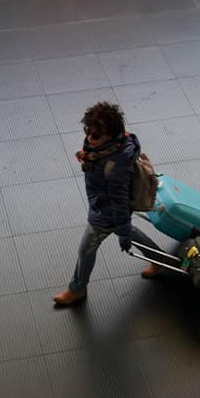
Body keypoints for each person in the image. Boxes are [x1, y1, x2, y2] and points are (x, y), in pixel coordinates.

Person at [52, 101, 162, 307]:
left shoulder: (117, 166)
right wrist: (87, 157)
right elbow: (97, 157)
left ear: (111, 136)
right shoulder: (110, 146)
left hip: (106, 212)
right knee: (128, 230)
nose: (88, 138)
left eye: (95, 135)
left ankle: (77, 289)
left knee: (86, 250)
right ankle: (160, 260)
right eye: (87, 131)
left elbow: (119, 201)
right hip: (104, 205)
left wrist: (124, 237)